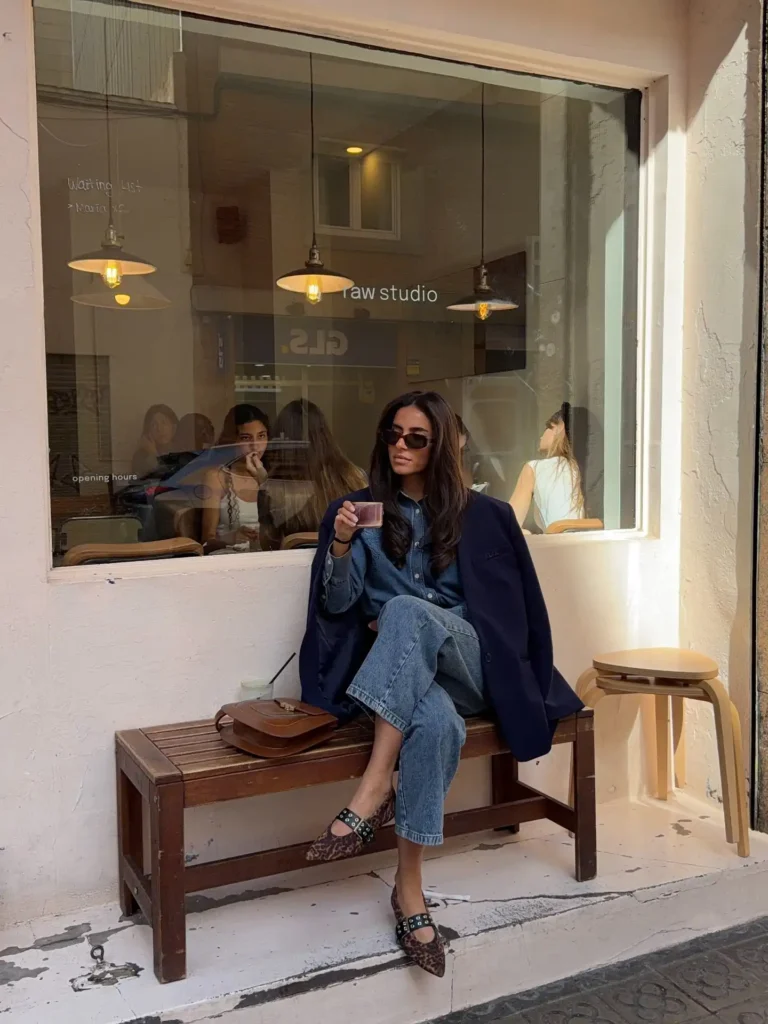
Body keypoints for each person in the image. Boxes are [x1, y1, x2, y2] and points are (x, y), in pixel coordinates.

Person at [299, 390, 583, 977]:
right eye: (393, 435)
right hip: (407, 677)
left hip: (473, 667)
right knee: (434, 726)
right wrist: (344, 545)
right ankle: (409, 891)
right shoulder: (359, 511)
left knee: (405, 611)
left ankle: (372, 789)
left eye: (416, 438)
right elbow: (337, 606)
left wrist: (424, 619)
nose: (400, 446)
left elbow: (519, 611)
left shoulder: (487, 516)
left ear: (442, 446)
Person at [260, 399, 367, 550]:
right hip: (346, 567)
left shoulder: (272, 490)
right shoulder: (355, 477)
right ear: (325, 434)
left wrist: (262, 482)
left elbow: (268, 548)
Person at [200, 404, 269, 553]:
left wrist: (262, 479)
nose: (255, 446)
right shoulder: (217, 477)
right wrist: (231, 538)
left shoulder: (269, 476)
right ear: (233, 440)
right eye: (246, 438)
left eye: (261, 436)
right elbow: (206, 541)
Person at [509, 403, 584, 531]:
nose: (541, 436)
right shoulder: (584, 470)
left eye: (547, 427)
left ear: (559, 429)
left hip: (556, 547)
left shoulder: (534, 468)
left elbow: (509, 525)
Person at [131, 404, 178, 478]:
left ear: (174, 428)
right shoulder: (140, 457)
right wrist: (151, 455)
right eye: (154, 424)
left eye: (164, 423)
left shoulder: (183, 452)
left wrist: (154, 455)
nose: (159, 429)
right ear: (148, 430)